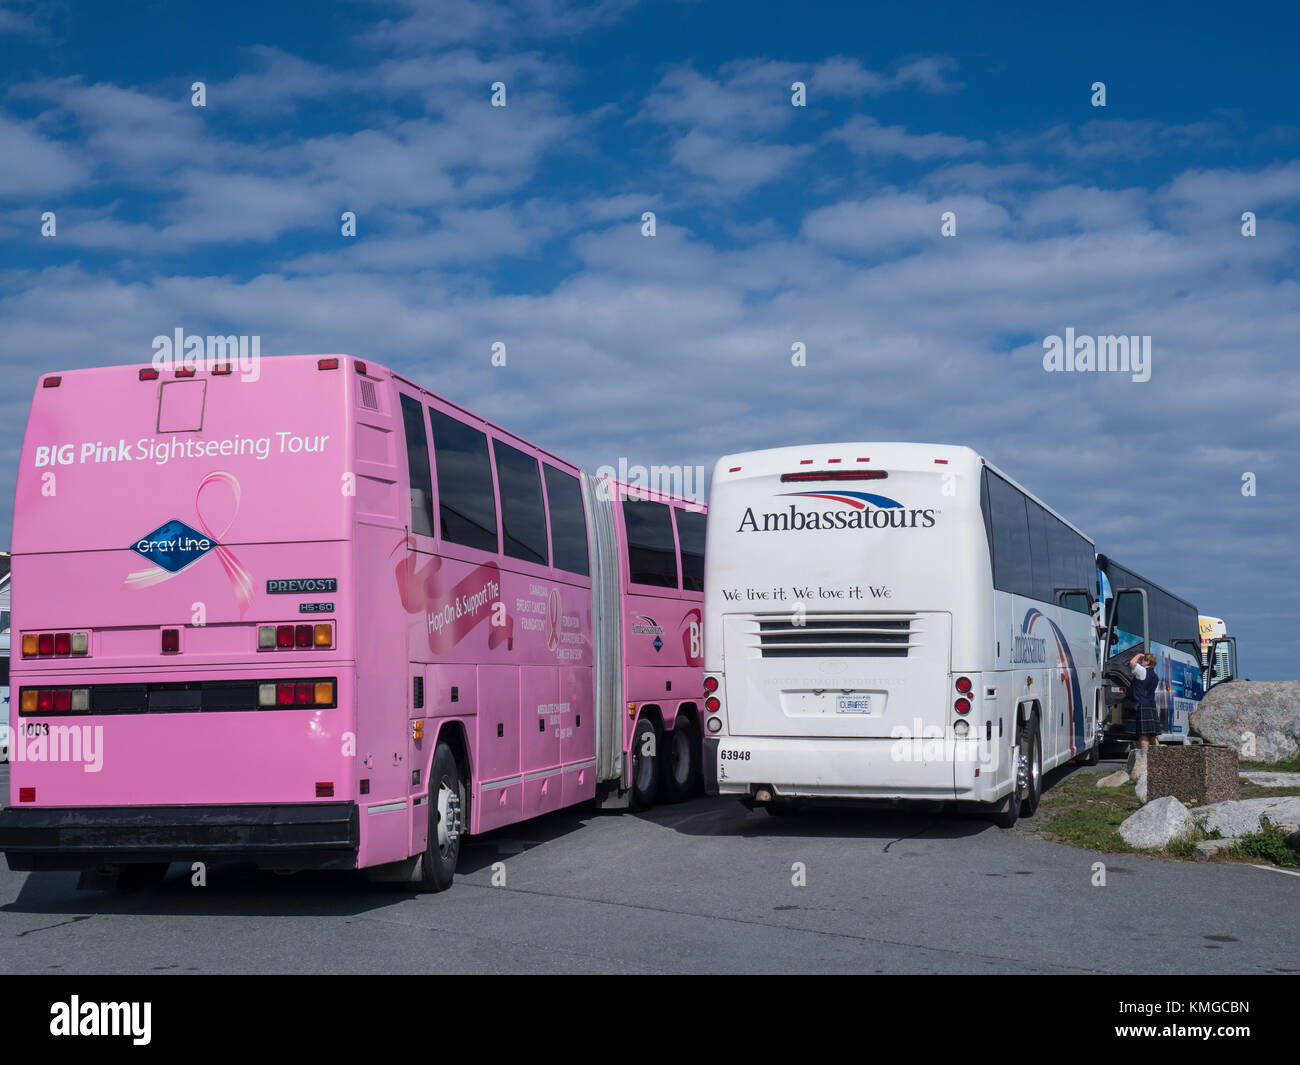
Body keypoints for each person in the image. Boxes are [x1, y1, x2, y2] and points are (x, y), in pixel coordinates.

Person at [1129, 652, 1161, 748]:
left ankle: (1145, 759)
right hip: (1151, 706)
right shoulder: (1156, 677)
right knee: (1152, 736)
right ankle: (1159, 758)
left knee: (1143, 735)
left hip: (1142, 704)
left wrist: (1138, 655)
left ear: (1148, 662)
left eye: (1143, 660)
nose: (1141, 661)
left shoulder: (1142, 671)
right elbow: (1155, 695)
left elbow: (1132, 663)